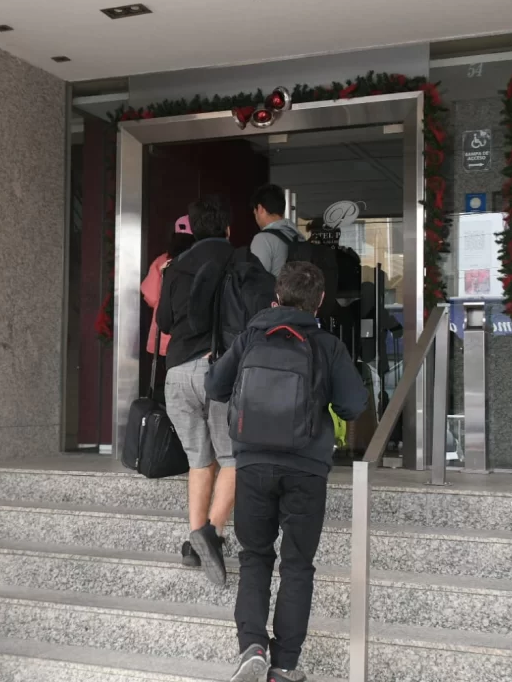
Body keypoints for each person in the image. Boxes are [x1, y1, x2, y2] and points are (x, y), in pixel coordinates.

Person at [205, 262, 368, 682]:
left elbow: (215, 387)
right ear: (319, 301)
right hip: (306, 468)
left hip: (253, 463)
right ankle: (284, 666)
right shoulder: (327, 345)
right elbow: (353, 405)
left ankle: (252, 646)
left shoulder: (250, 338)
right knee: (297, 564)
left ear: (276, 296)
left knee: (255, 556)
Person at [157, 196, 236, 586]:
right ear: (227, 229)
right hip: (218, 371)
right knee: (234, 458)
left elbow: (164, 321)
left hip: (177, 373)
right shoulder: (238, 261)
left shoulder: (176, 266)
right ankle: (211, 534)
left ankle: (193, 542)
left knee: (200, 461)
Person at [141, 215, 195, 357]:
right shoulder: (198, 260)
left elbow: (150, 297)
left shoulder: (161, 261)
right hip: (191, 334)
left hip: (164, 334)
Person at [250, 183, 306, 277]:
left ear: (260, 209)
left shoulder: (263, 239)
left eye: (255, 213)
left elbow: (256, 280)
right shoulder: (297, 235)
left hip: (277, 287)